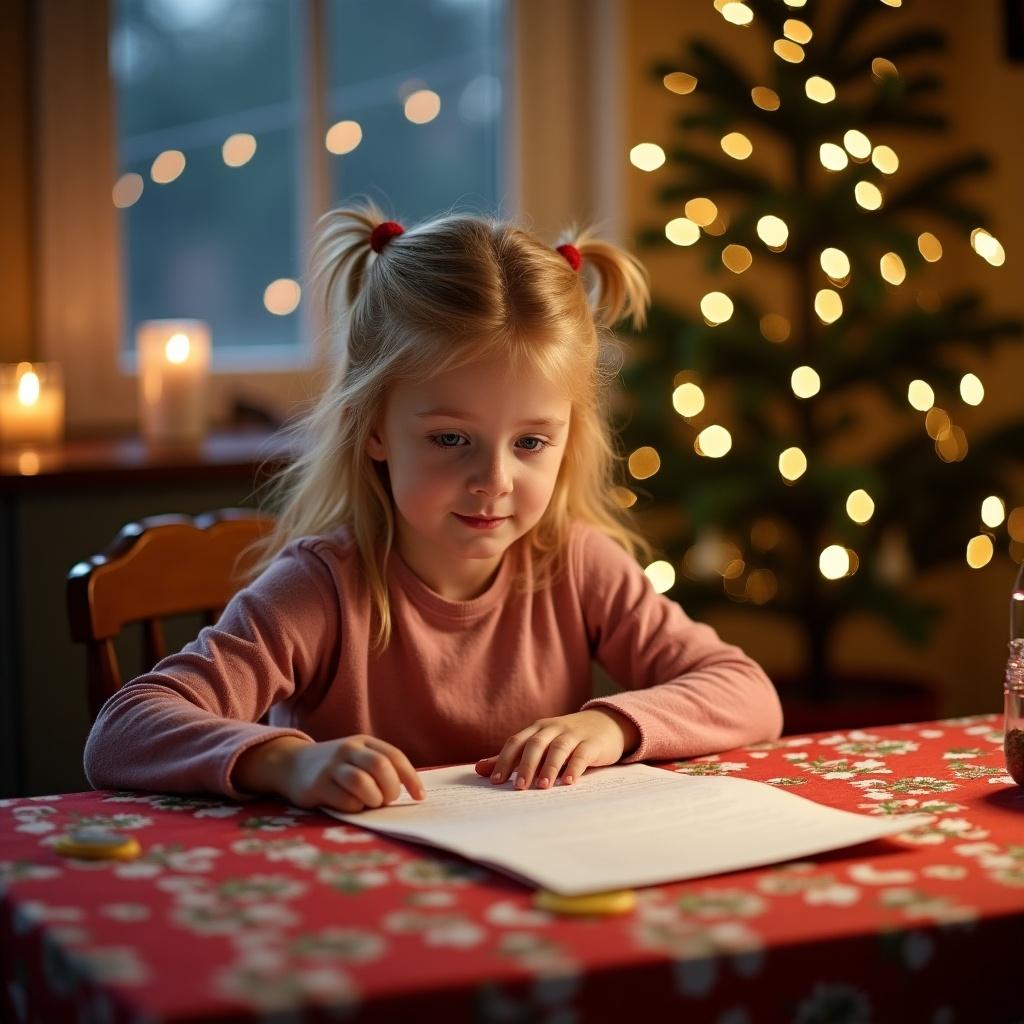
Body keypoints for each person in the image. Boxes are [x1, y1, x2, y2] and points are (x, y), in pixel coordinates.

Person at [84, 200, 784, 813]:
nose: (495, 479)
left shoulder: (574, 564)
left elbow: (749, 694)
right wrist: (288, 762)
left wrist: (612, 727)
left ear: (570, 435)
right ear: (376, 428)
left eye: (532, 441)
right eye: (451, 438)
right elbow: (123, 731)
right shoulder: (322, 587)